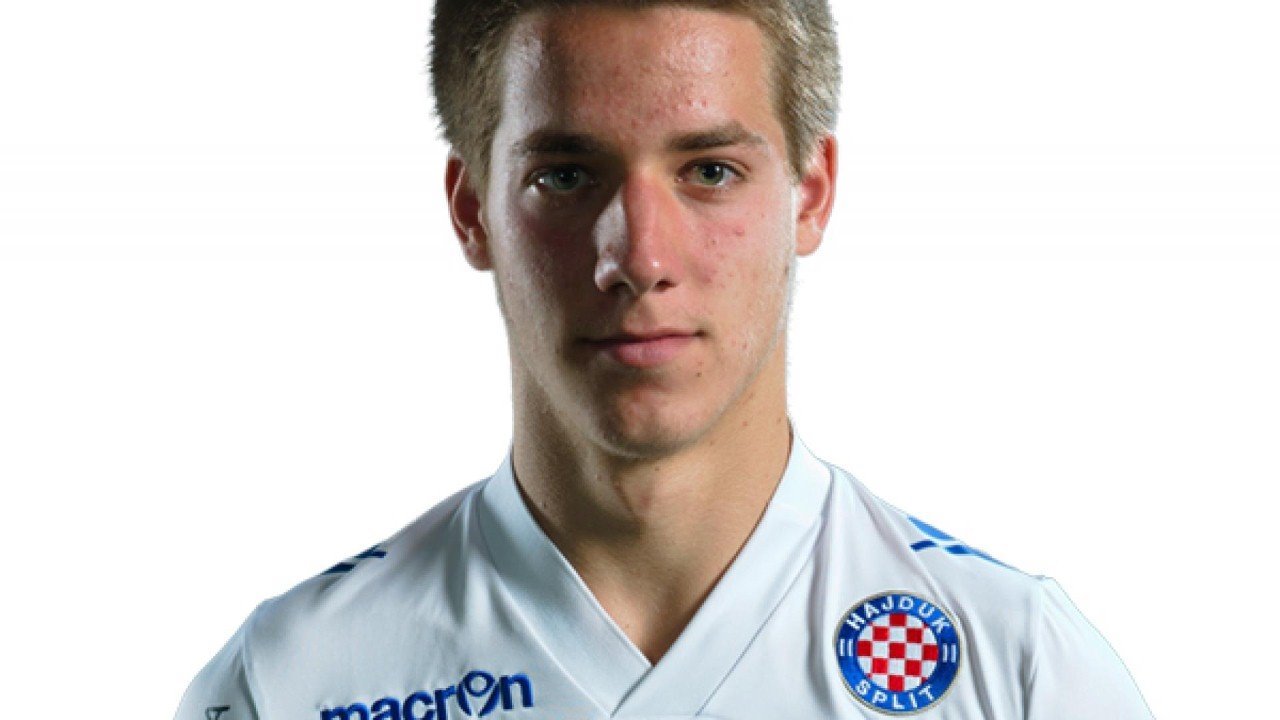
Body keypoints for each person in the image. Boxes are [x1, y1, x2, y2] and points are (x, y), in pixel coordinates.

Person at [176, 1, 1152, 718]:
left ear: (810, 195)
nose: (639, 257)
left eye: (710, 171)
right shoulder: (295, 682)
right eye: (566, 176)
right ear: (472, 210)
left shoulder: (1016, 672)